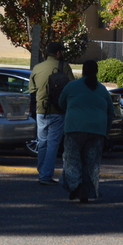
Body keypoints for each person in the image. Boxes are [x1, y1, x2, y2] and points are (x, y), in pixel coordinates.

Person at [58, 59, 115, 203]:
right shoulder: (102, 89)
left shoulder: (72, 86)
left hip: (75, 127)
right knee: (91, 162)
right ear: (96, 71)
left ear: (83, 70)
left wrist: (72, 110)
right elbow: (110, 111)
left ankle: (75, 184)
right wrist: (106, 131)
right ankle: (86, 192)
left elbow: (61, 103)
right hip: (97, 130)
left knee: (72, 159)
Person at [28, 41, 75, 185]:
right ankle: (45, 175)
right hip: (58, 110)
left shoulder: (37, 67)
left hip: (41, 110)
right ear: (58, 53)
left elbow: (32, 90)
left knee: (42, 142)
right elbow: (72, 87)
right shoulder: (64, 67)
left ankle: (42, 171)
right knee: (53, 143)